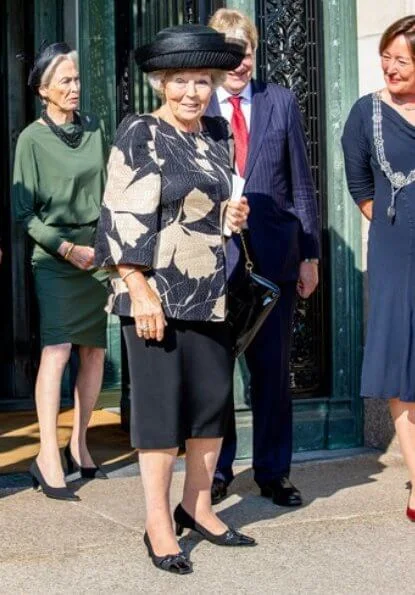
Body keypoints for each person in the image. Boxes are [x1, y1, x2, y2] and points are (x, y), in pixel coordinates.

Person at [94, 24, 255, 575]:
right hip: (155, 296)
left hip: (209, 292)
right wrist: (138, 290)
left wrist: (230, 219)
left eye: (203, 81)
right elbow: (120, 220)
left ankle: (199, 506)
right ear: (162, 82)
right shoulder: (140, 132)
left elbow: (207, 214)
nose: (193, 92)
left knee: (211, 405)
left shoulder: (213, 136)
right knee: (162, 413)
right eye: (181, 81)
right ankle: (159, 524)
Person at [206, 9, 320, 506]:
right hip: (212, 259)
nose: (241, 61)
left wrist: (310, 255)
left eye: (247, 50)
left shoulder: (281, 102)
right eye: (230, 51)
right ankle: (217, 470)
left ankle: (273, 472)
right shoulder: (196, 104)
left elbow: (301, 183)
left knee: (273, 373)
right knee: (215, 372)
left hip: (275, 258)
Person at [13, 43, 109, 501]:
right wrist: (66, 248)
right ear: (43, 90)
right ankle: (47, 454)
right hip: (54, 256)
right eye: (65, 81)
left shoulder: (94, 128)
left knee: (93, 351)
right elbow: (24, 213)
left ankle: (80, 442)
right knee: (58, 348)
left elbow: (110, 191)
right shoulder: (30, 139)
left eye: (76, 79)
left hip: (96, 254)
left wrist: (105, 248)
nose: (74, 88)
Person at [342, 16, 415, 523]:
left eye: (403, 60)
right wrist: (395, 227)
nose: (390, 67)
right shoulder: (365, 113)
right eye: (386, 56)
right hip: (396, 250)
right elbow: (359, 183)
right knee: (398, 360)